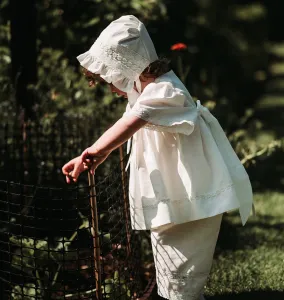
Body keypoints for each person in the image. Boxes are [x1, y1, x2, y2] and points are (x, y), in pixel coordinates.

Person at [62, 15, 253, 300]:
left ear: (127, 67)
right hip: (174, 197)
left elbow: (129, 124)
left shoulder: (165, 92)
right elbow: (127, 124)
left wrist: (92, 153)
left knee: (183, 268)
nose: (112, 88)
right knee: (171, 268)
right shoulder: (145, 91)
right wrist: (99, 158)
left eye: (111, 78)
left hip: (191, 194)